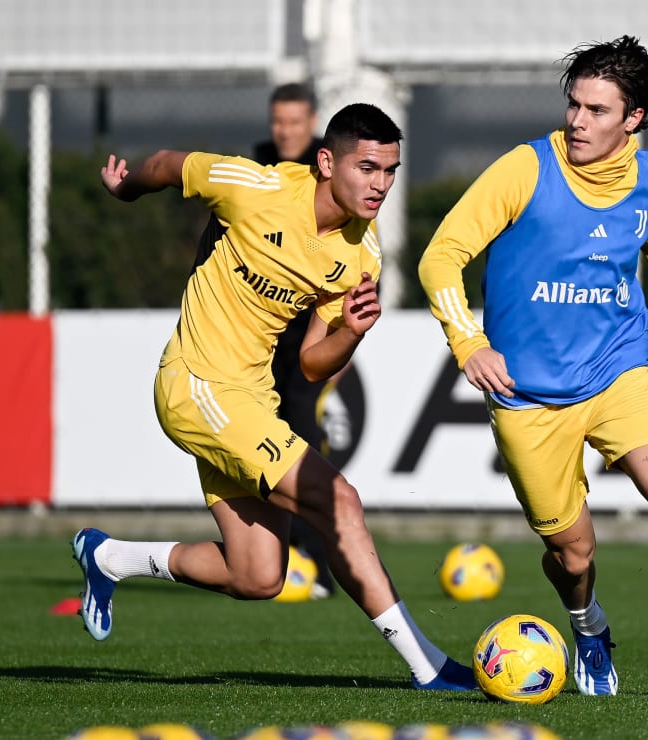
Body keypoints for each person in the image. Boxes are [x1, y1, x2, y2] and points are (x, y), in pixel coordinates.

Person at [418, 36, 648, 696]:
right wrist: (468, 341)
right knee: (574, 554)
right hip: (526, 395)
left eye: (596, 110)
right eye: (574, 105)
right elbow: (440, 256)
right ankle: (588, 627)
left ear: (634, 118)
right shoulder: (524, 170)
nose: (578, 121)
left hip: (616, 372)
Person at [73, 102, 475, 692]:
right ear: (325, 162)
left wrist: (350, 333)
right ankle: (428, 666)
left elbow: (313, 361)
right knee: (339, 501)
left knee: (259, 574)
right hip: (196, 384)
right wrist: (126, 188)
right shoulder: (255, 186)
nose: (381, 185)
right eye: (367, 168)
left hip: (252, 401)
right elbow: (166, 164)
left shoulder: (361, 253)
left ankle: (110, 558)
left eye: (390, 171)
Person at [193, 82, 339, 601]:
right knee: (254, 453)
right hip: (245, 343)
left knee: (303, 447)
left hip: (301, 345)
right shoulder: (254, 170)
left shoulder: (333, 171)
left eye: (296, 122)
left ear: (312, 123)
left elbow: (354, 258)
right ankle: (271, 556)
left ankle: (316, 567)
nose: (286, 131)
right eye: (279, 122)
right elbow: (215, 238)